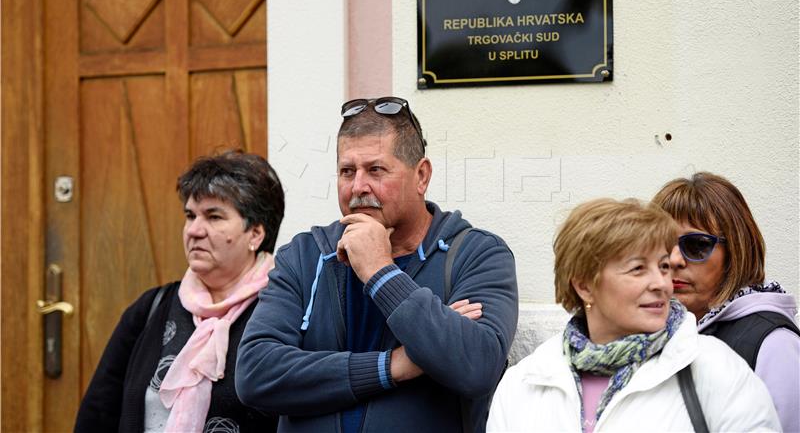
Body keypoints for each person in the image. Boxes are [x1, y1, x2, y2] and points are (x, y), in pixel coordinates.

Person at [235, 96, 518, 433]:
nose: (358, 187)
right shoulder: (305, 255)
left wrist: (380, 272)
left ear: (421, 176)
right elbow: (256, 374)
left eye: (376, 170)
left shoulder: (477, 254)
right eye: (347, 171)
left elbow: (476, 366)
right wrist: (395, 365)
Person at [487, 198, 780, 432]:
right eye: (638, 268)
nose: (661, 284)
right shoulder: (524, 383)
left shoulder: (717, 370)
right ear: (585, 285)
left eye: (663, 266)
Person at [75, 151, 285, 433]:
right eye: (190, 215)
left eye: (214, 216)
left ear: (255, 234)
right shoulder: (152, 308)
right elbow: (99, 414)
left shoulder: (282, 311)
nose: (194, 230)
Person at [653, 172, 800, 432]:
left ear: (736, 251)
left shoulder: (773, 343)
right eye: (662, 244)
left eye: (696, 245)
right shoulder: (654, 333)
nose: (675, 260)